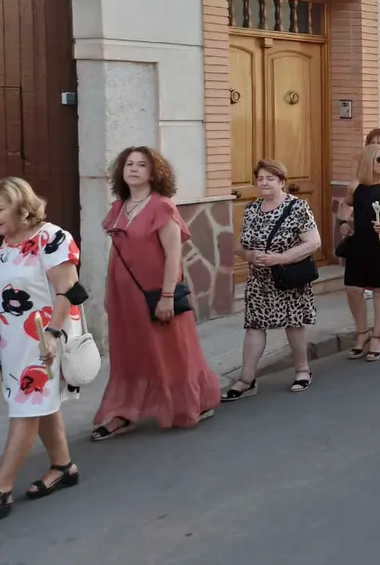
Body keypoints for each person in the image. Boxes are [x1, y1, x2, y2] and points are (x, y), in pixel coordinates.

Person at [93, 147, 220, 441]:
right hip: (125, 295)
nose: (134, 169)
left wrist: (166, 296)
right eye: (129, 164)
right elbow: (118, 254)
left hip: (156, 293)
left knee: (172, 349)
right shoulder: (118, 207)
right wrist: (108, 293)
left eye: (141, 165)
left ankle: (191, 403)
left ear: (154, 173)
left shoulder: (162, 206)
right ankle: (124, 410)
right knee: (129, 352)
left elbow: (174, 255)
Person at [0, 178, 85, 514]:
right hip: (13, 342)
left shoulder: (51, 237)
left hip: (45, 339)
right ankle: (63, 467)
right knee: (38, 403)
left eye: (0, 208)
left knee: (26, 405)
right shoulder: (4, 245)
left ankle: (2, 486)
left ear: (21, 206)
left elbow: (71, 290)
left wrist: (52, 332)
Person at [222, 160, 322, 400]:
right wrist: (249, 255)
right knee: (254, 326)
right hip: (259, 281)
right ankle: (246, 379)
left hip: (287, 277)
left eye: (270, 178)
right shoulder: (252, 208)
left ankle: (302, 371)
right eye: (260, 179)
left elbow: (313, 242)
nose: (264, 183)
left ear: (281, 182)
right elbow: (240, 245)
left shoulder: (298, 207)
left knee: (294, 323)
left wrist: (279, 258)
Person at [338, 143, 380, 362]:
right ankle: (362, 332)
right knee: (352, 288)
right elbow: (344, 205)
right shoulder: (355, 186)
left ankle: (377, 336)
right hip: (360, 243)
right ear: (368, 161)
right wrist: (343, 222)